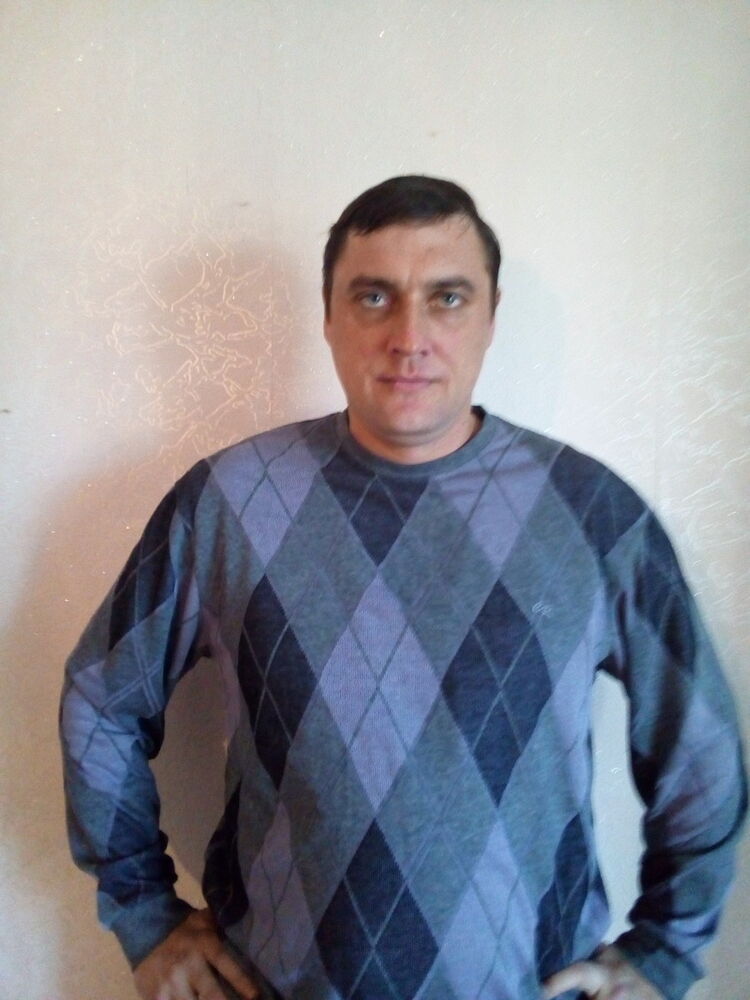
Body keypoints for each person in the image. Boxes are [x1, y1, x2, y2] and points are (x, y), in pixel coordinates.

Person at [61, 175, 746, 1000]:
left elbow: (700, 745)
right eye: (374, 296)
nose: (409, 337)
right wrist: (145, 915)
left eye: (447, 297)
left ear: (491, 317)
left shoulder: (594, 514)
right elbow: (101, 697)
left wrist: (664, 951)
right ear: (329, 316)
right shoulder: (229, 503)